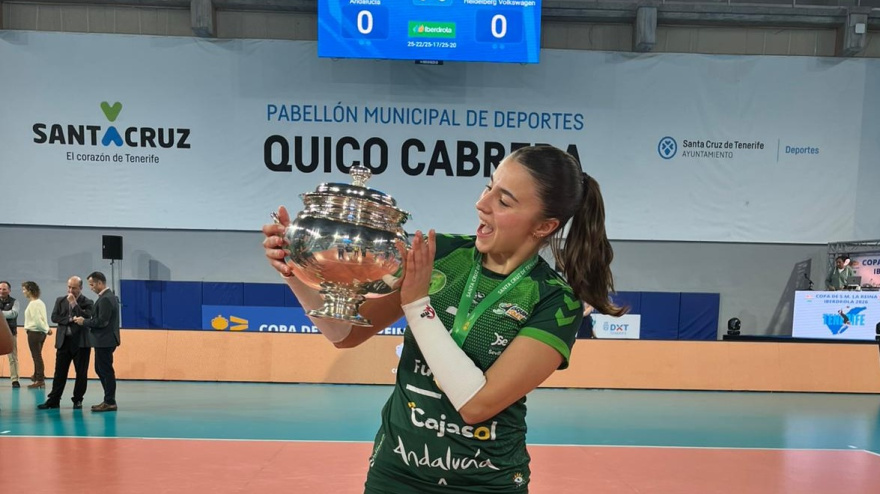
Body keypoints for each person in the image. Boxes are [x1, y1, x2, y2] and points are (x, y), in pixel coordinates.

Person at [262, 145, 623, 493]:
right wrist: (296, 270)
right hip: (395, 474)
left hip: (485, 483)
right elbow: (344, 333)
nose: (481, 204)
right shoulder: (441, 253)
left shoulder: (555, 301)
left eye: (504, 200)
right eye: (488, 187)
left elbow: (476, 405)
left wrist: (418, 306)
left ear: (544, 226)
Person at [39, 276, 95, 410]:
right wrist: (70, 319)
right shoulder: (60, 300)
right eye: (69, 287)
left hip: (81, 343)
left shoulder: (88, 302)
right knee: (59, 372)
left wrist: (74, 304)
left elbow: (87, 317)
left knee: (81, 373)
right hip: (63, 341)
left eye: (74, 288)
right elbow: (54, 317)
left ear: (80, 288)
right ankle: (54, 400)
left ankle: (77, 400)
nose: (70, 290)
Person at [72, 272, 120, 412]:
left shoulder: (106, 299)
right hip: (104, 340)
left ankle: (110, 401)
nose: (91, 287)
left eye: (92, 285)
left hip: (105, 340)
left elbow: (101, 321)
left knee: (105, 371)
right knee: (101, 369)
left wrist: (83, 321)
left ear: (100, 283)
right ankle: (108, 399)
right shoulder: (107, 297)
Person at [21, 281, 51, 389]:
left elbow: (38, 320)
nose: (23, 292)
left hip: (34, 333)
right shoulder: (40, 302)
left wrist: (46, 329)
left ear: (30, 290)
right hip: (41, 333)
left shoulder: (34, 304)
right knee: (37, 355)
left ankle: (40, 379)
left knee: (36, 356)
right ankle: (36, 375)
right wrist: (46, 329)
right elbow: (43, 318)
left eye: (24, 289)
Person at [1, 280, 22, 388]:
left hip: (10, 333)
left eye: (4, 289)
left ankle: (15, 380)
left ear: (9, 290)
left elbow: (13, 314)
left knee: (13, 357)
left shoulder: (15, 302)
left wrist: (0, 313)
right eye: (0, 289)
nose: (1, 291)